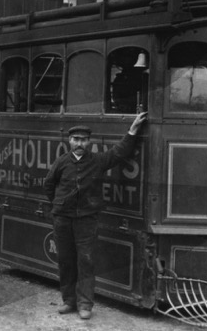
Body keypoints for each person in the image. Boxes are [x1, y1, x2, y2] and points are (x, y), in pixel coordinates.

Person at [44, 112, 147, 320]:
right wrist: (59, 204)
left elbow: (120, 152)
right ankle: (68, 301)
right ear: (70, 141)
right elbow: (49, 185)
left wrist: (133, 130)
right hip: (62, 219)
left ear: (89, 142)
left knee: (86, 261)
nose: (79, 143)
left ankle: (85, 304)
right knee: (65, 260)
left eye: (83, 140)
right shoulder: (61, 162)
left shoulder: (98, 161)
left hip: (87, 219)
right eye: (76, 140)